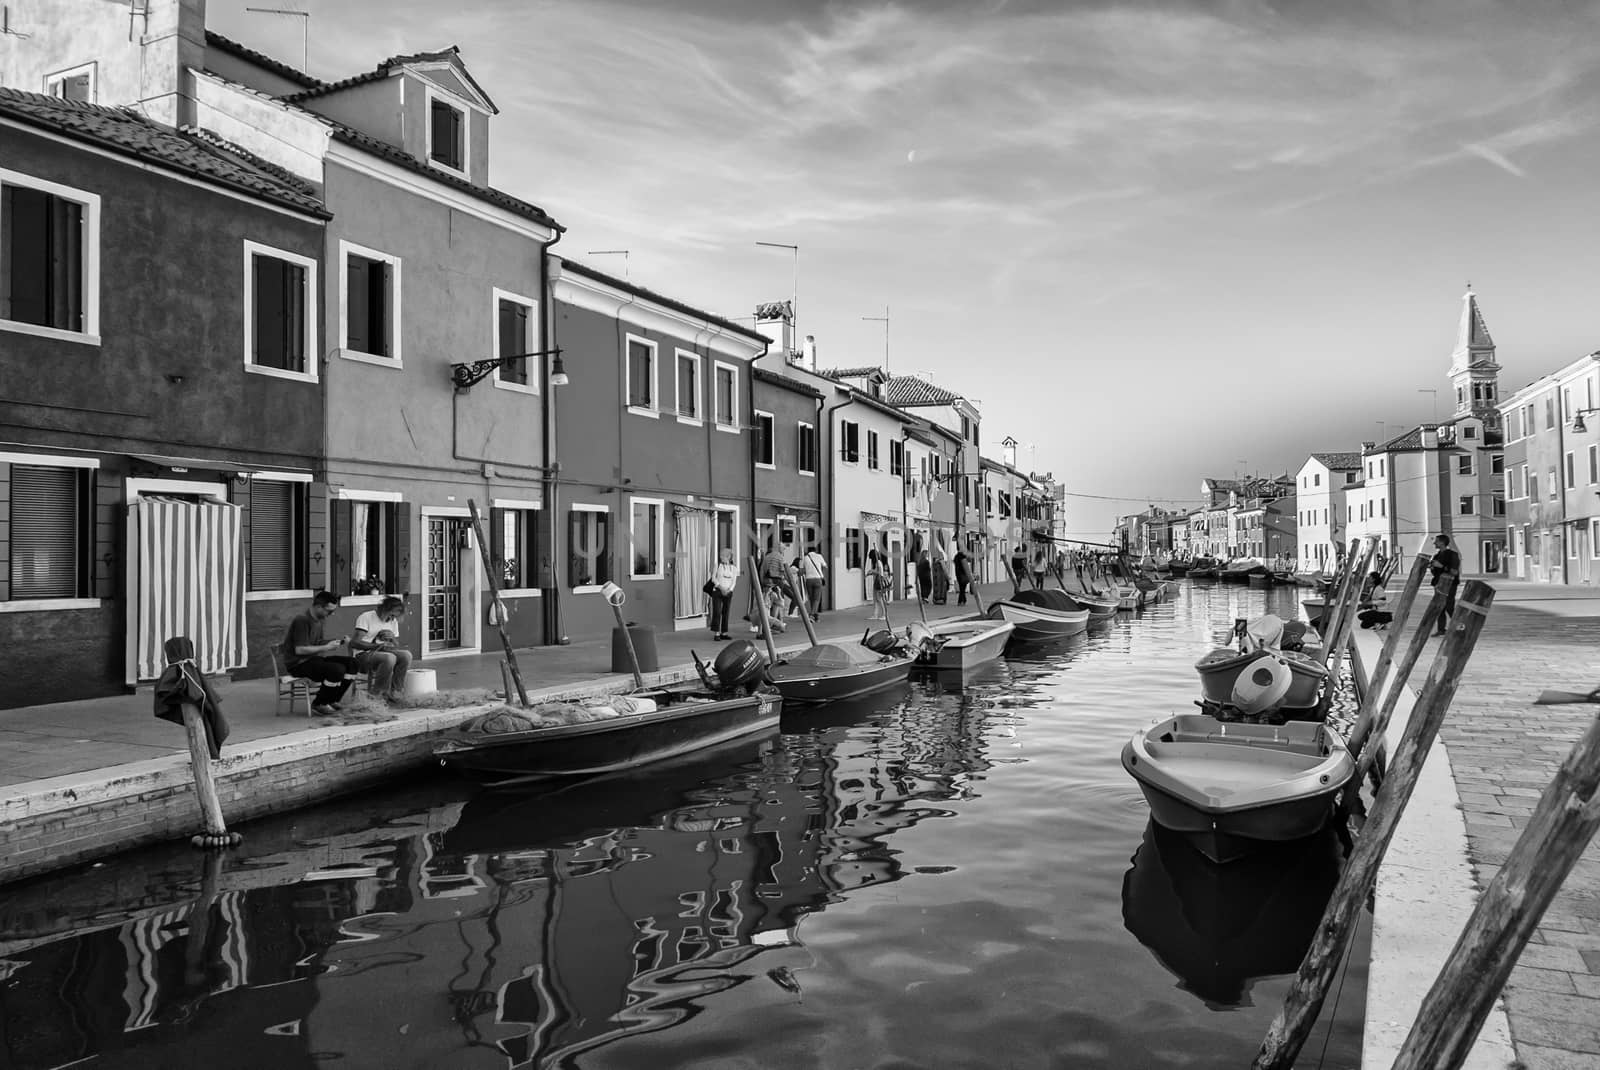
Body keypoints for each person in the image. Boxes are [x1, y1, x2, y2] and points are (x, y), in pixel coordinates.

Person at [283, 591, 356, 716]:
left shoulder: (320, 619)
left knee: (353, 663)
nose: (331, 614)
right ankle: (319, 704)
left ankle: (333, 700)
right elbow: (300, 649)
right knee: (336, 669)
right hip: (298, 664)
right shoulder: (302, 620)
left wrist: (335, 642)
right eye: (329, 611)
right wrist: (326, 647)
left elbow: (318, 642)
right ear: (318, 607)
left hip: (314, 660)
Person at [352, 595, 412, 703]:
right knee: (389, 658)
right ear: (385, 609)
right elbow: (355, 643)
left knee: (406, 655)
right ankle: (377, 694)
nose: (392, 619)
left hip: (383, 653)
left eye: (394, 617)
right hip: (363, 655)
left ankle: (396, 692)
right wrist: (376, 646)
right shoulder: (366, 617)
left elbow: (396, 646)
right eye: (391, 615)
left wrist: (392, 638)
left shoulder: (393, 621)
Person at [1428, 534, 1461, 636]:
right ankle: (1441, 629)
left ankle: (1459, 627)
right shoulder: (1436, 556)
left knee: (1449, 606)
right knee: (1439, 607)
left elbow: (1454, 571)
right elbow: (1435, 573)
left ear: (1442, 542)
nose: (1434, 543)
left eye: (1436, 541)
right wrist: (1432, 568)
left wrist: (1441, 566)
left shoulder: (1453, 555)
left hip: (1450, 584)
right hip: (1438, 583)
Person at [708, 549, 739, 641]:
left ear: (729, 557)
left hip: (728, 592)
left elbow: (734, 581)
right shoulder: (717, 565)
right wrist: (721, 587)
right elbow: (713, 578)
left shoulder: (734, 568)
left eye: (723, 556)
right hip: (717, 591)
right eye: (721, 556)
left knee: (726, 612)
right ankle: (716, 632)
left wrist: (729, 590)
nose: (721, 557)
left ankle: (724, 632)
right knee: (717, 611)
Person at [801, 544, 827, 620]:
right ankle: (812, 614)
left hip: (808, 580)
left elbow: (802, 569)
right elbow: (825, 566)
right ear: (815, 550)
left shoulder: (805, 558)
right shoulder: (819, 556)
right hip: (817, 579)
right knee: (816, 599)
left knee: (811, 598)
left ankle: (815, 615)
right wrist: (821, 574)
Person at [867, 548, 889, 620]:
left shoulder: (878, 562)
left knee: (879, 599)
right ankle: (875, 614)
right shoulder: (877, 562)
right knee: (876, 599)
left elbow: (879, 572)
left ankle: (884, 614)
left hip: (879, 581)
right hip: (877, 581)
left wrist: (872, 571)